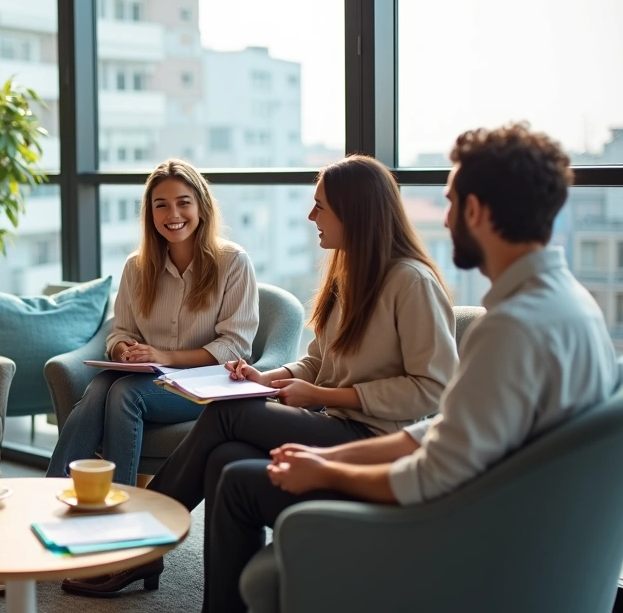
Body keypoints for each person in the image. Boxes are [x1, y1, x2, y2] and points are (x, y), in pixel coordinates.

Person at [212, 123, 617, 612]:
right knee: (231, 460)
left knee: (238, 482)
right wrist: (328, 458)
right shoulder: (572, 304)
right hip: (502, 516)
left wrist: (327, 472)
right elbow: (446, 434)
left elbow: (427, 475)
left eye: (449, 202)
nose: (444, 220)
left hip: (452, 533)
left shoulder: (512, 328)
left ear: (475, 210)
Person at [64, 154, 458, 597]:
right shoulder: (345, 276)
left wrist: (324, 395)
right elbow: (318, 362)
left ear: (356, 211)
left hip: (376, 441)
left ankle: (137, 546)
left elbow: (433, 390)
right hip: (335, 423)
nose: (312, 217)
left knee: (226, 415)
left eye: (320, 206)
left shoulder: (411, 282)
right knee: (223, 456)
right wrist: (272, 376)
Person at [47, 159, 259, 486]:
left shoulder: (232, 262)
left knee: (124, 393)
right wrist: (122, 350)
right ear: (151, 214)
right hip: (152, 379)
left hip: (206, 384)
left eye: (183, 203)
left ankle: (119, 502)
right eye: (161, 206)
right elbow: (121, 330)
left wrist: (164, 357)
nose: (173, 215)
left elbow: (233, 347)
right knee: (103, 384)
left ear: (201, 206)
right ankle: (55, 488)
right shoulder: (137, 266)